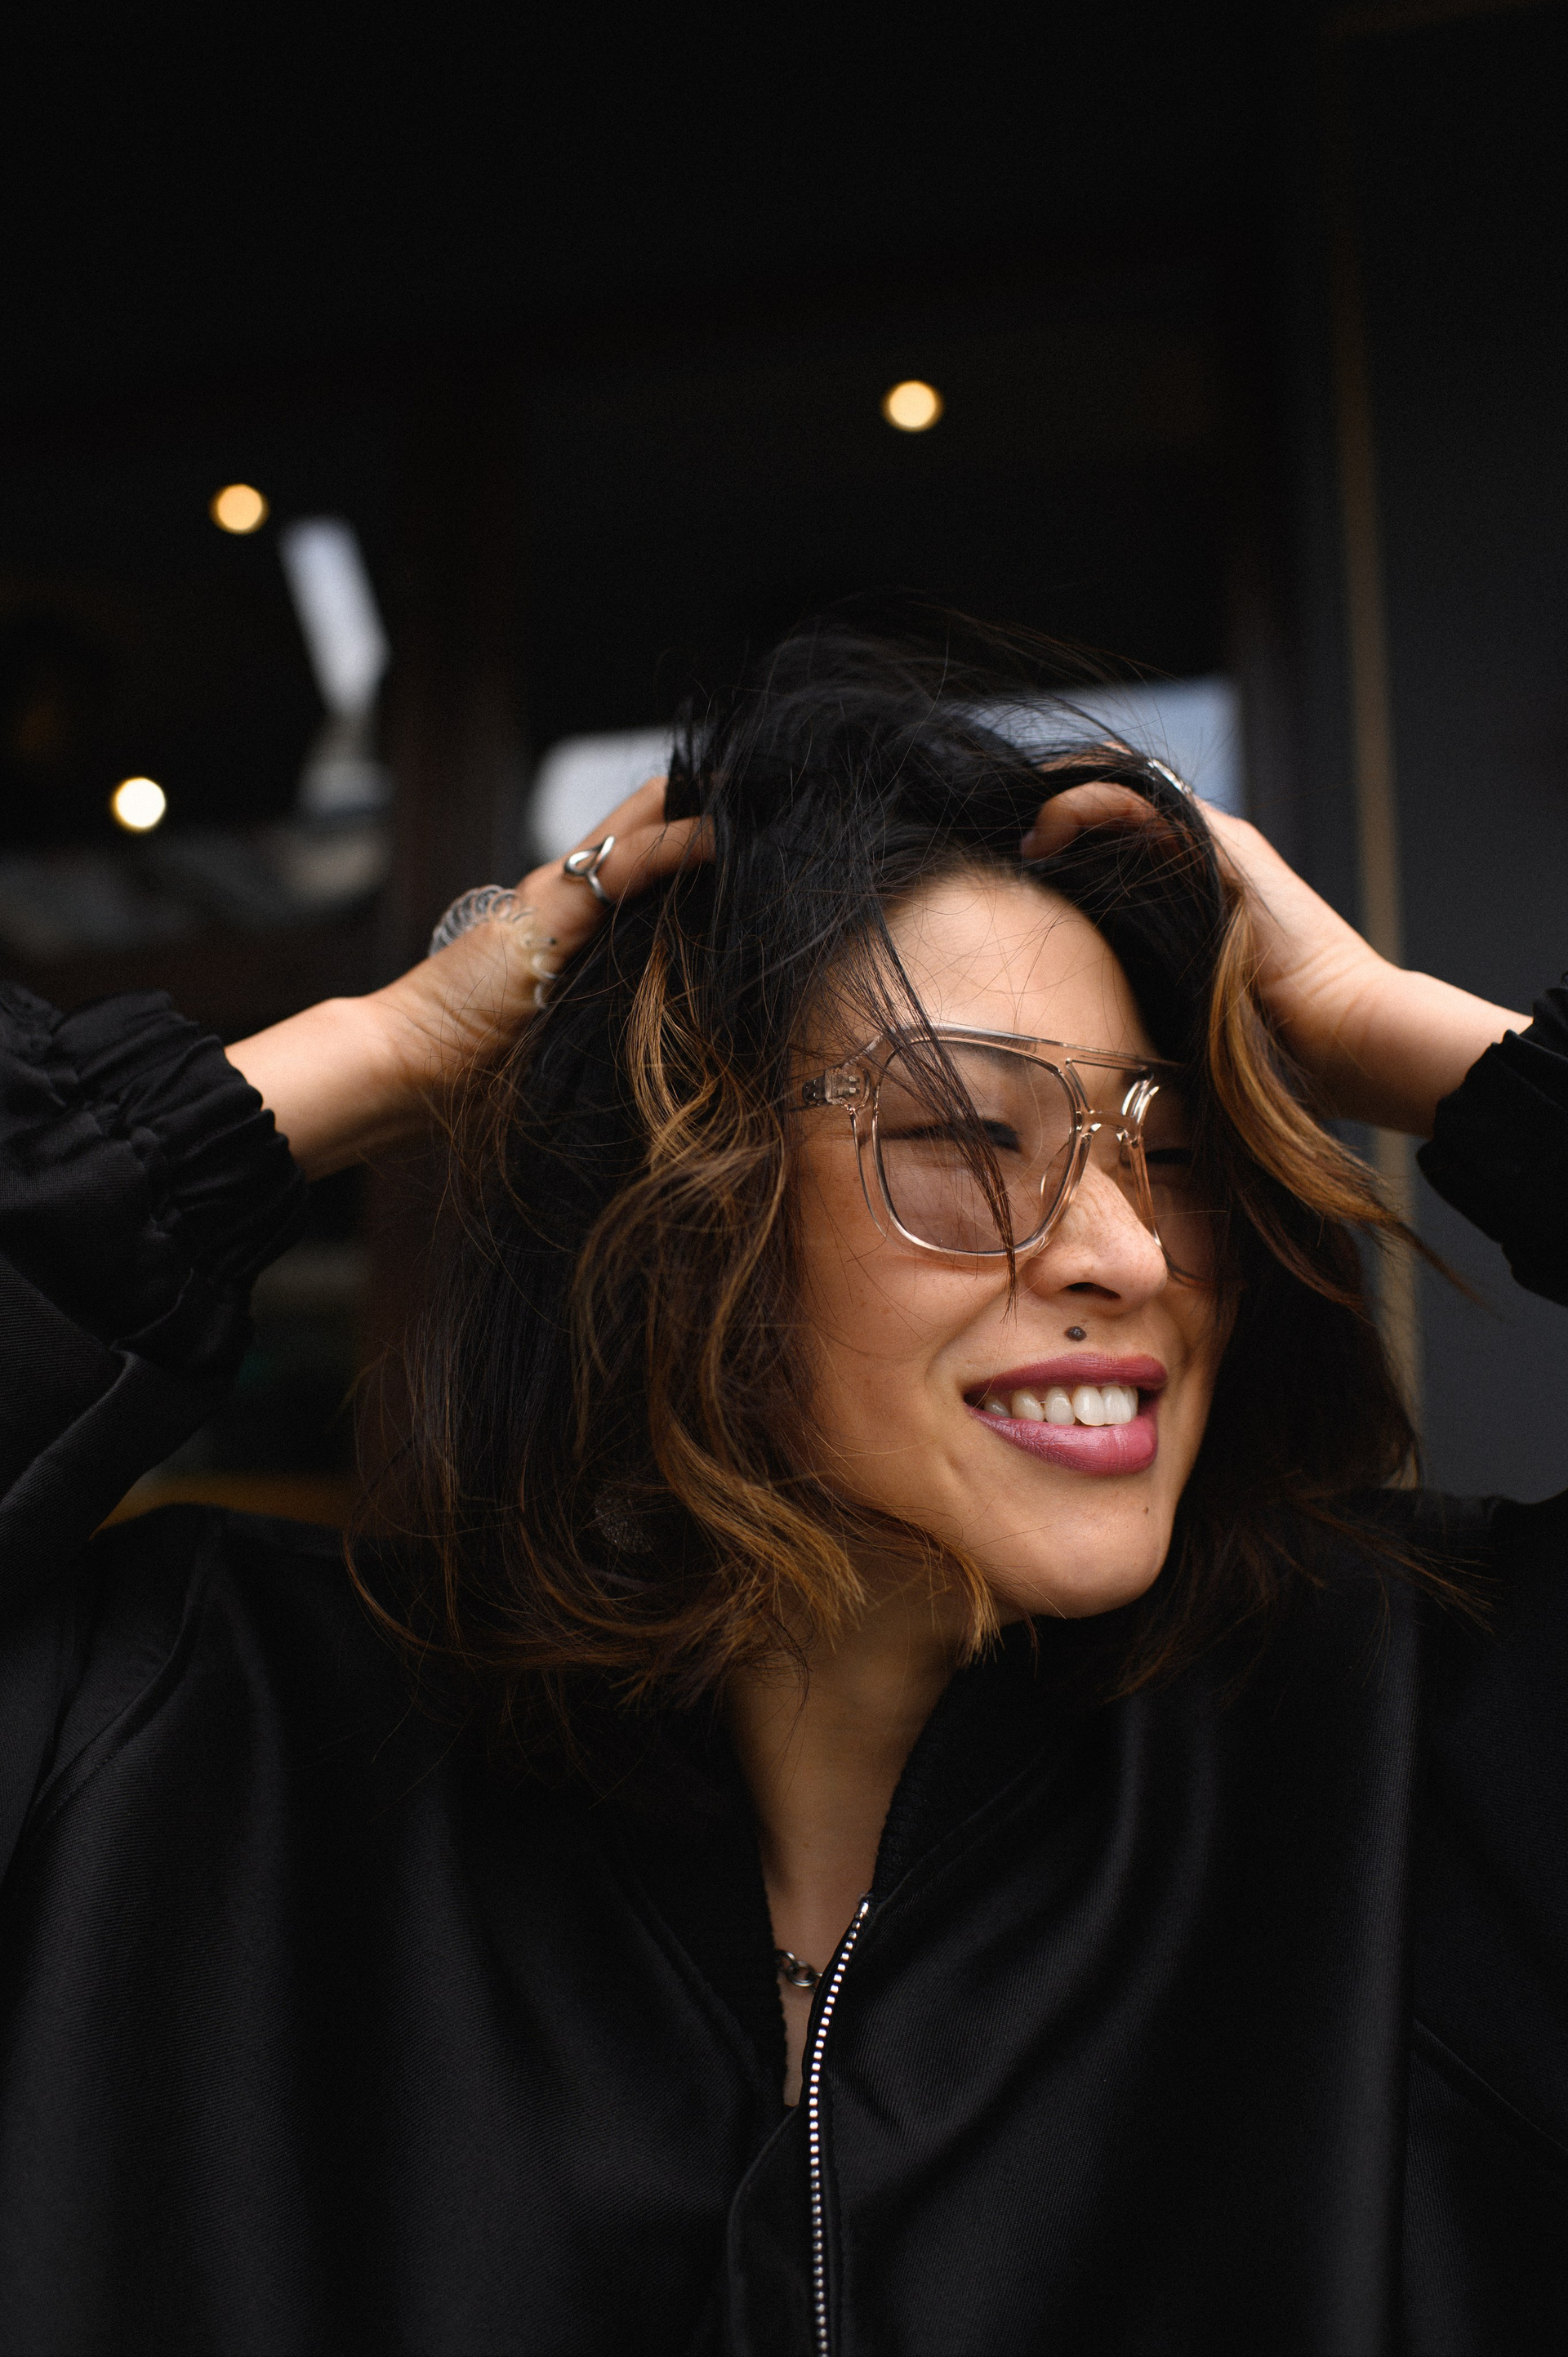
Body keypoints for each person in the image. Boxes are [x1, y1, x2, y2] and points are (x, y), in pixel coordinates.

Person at [0, 625, 1562, 2355]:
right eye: (965, 1138)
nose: (1128, 1253)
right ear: (680, 1207)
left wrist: (1413, 1044)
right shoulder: (192, 1750)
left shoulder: (1411, 1757)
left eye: (1174, 1153)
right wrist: (382, 1051)